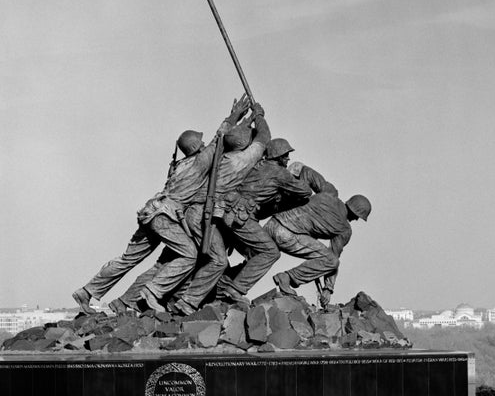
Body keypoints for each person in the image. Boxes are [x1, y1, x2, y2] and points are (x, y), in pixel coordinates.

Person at [73, 96, 251, 314]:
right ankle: (152, 291)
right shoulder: (198, 163)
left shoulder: (180, 166)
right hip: (164, 216)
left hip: (151, 212)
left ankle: (87, 291)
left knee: (128, 260)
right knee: (189, 255)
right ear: (196, 147)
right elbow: (219, 140)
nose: (205, 145)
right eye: (201, 144)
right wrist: (235, 116)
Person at [168, 101, 271, 314]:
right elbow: (264, 138)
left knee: (206, 257)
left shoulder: (216, 157)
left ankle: (185, 297)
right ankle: (187, 302)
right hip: (201, 214)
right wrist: (259, 116)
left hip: (194, 212)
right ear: (244, 144)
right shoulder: (241, 160)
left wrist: (240, 118)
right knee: (219, 260)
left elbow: (220, 137)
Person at [212, 142, 336, 303]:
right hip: (240, 217)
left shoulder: (258, 166)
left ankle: (223, 284)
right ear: (278, 157)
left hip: (229, 211)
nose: (288, 158)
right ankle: (235, 290)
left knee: (253, 253)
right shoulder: (279, 173)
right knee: (271, 252)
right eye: (285, 155)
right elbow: (305, 191)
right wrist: (300, 176)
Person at [268, 192, 372, 308]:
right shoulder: (345, 229)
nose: (357, 219)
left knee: (255, 257)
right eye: (358, 216)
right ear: (355, 213)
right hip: (286, 234)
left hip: (272, 223)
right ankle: (287, 277)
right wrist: (328, 288)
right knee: (331, 261)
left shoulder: (326, 195)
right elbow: (333, 258)